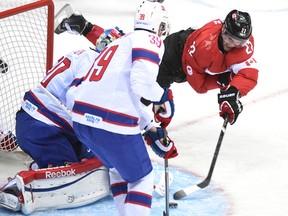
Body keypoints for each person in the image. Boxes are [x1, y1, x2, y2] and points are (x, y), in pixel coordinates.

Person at [65, 1, 177, 215]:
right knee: (142, 178)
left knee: (119, 172)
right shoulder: (149, 39)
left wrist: (149, 126)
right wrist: (162, 95)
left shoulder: (121, 41)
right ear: (158, 25)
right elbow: (141, 84)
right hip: (110, 122)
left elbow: (122, 93)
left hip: (81, 120)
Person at [58, 8, 258, 126]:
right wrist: (222, 82)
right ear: (223, 31)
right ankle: (83, 26)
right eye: (231, 39)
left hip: (185, 52)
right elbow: (200, 86)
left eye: (240, 40)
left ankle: (83, 26)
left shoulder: (239, 43)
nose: (236, 45)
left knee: (125, 49)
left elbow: (248, 74)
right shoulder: (204, 48)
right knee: (124, 57)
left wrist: (232, 90)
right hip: (173, 58)